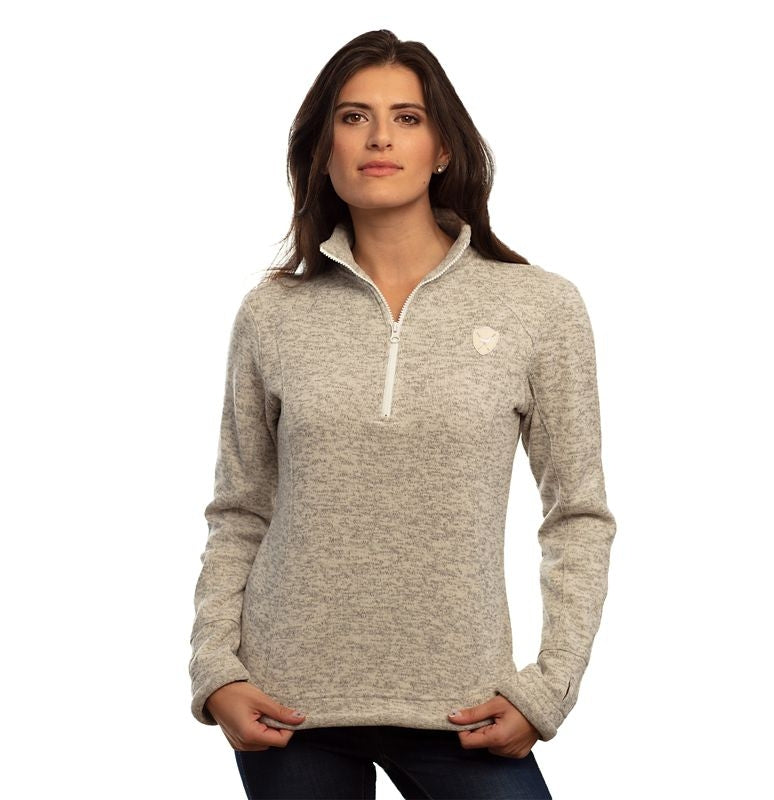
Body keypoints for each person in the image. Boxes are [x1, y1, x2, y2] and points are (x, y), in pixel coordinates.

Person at [188, 28, 616, 800]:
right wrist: (216, 669)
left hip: (465, 706)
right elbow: (240, 511)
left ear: (443, 147)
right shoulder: (273, 313)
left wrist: (548, 688)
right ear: (323, 150)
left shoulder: (538, 307)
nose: (379, 137)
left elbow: (578, 516)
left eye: (407, 118)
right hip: (288, 704)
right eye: (353, 117)